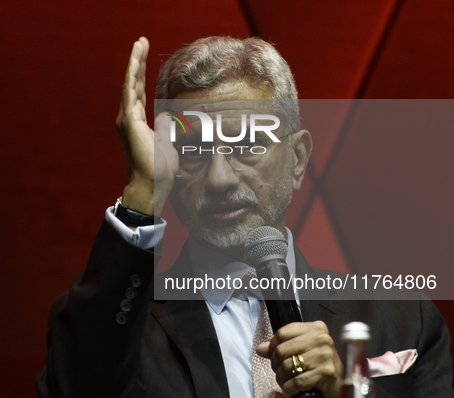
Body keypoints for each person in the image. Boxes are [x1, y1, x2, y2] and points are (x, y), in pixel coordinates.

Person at [36, 36, 453, 397]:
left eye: (247, 145)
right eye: (194, 151)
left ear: (297, 159)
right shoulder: (117, 325)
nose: (219, 179)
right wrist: (144, 191)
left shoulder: (402, 318)